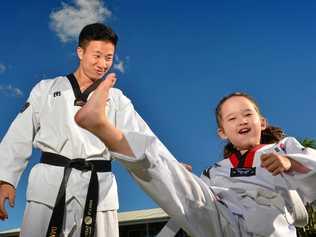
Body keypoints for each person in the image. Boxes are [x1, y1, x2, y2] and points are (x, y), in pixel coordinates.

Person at [75, 77, 316, 237]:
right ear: (222, 132)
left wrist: (290, 163)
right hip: (225, 225)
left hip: (270, 228)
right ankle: (112, 115)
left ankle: (112, 115)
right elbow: (190, 207)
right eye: (232, 119)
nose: (241, 121)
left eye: (247, 115)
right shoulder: (215, 171)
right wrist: (175, 175)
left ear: (261, 123)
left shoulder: (284, 148)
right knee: (165, 167)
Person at [0, 22, 144, 237]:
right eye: (97, 55)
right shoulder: (46, 89)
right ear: (80, 52)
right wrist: (5, 180)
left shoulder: (116, 98)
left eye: (109, 58)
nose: (102, 64)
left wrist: (168, 165)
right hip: (50, 185)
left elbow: (140, 137)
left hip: (99, 187)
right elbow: (18, 135)